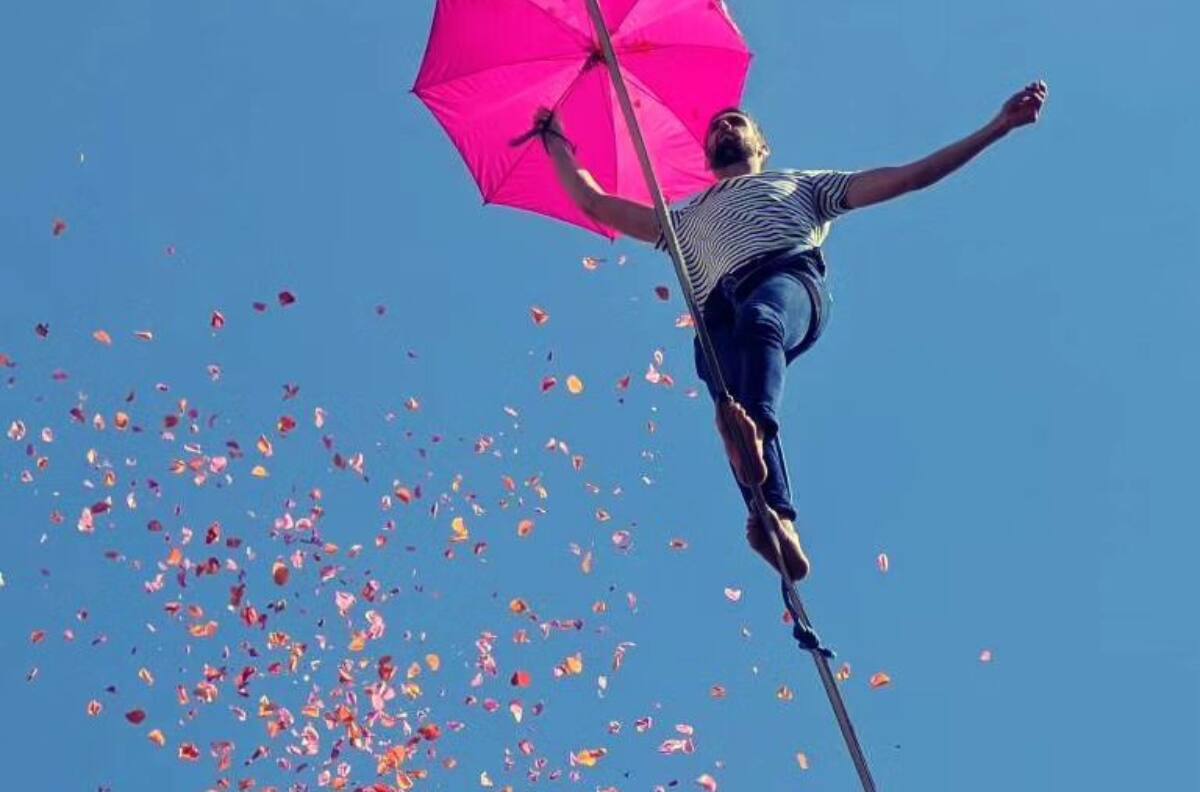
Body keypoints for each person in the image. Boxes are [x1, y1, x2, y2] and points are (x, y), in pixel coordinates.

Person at [535, 80, 1048, 582]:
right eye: (716, 128)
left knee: (761, 328)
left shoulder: (804, 185)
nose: (724, 127)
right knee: (723, 383)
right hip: (718, 310)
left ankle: (753, 430)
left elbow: (909, 177)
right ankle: (776, 520)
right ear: (706, 156)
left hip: (784, 279)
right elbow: (595, 202)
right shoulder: (681, 218)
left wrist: (997, 127)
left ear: (761, 144)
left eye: (735, 121)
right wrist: (556, 142)